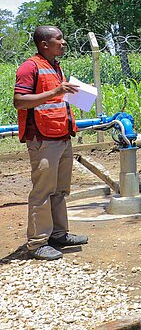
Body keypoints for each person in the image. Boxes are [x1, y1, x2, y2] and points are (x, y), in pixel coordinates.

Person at [14, 26, 88, 261]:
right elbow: (19, 101)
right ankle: (37, 243)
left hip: (61, 136)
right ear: (44, 44)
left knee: (60, 190)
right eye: (59, 39)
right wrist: (56, 90)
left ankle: (58, 234)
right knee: (43, 192)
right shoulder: (30, 67)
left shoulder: (55, 66)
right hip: (43, 140)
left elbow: (55, 100)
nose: (63, 42)